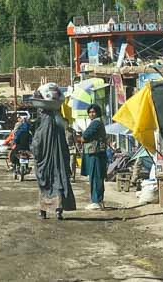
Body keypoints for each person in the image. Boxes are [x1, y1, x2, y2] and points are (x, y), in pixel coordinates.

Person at [30, 86, 76, 220]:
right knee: (59, 182)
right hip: (59, 160)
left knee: (45, 184)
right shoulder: (58, 119)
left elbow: (38, 143)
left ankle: (43, 211)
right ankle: (58, 210)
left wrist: (35, 153)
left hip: (46, 160)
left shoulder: (44, 121)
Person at [80, 105, 108, 210]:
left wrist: (83, 138)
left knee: (95, 178)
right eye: (90, 112)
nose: (91, 114)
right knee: (98, 177)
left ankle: (96, 201)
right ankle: (99, 201)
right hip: (96, 153)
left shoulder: (96, 122)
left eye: (93, 112)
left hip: (95, 153)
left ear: (97, 112)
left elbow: (85, 136)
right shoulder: (98, 122)